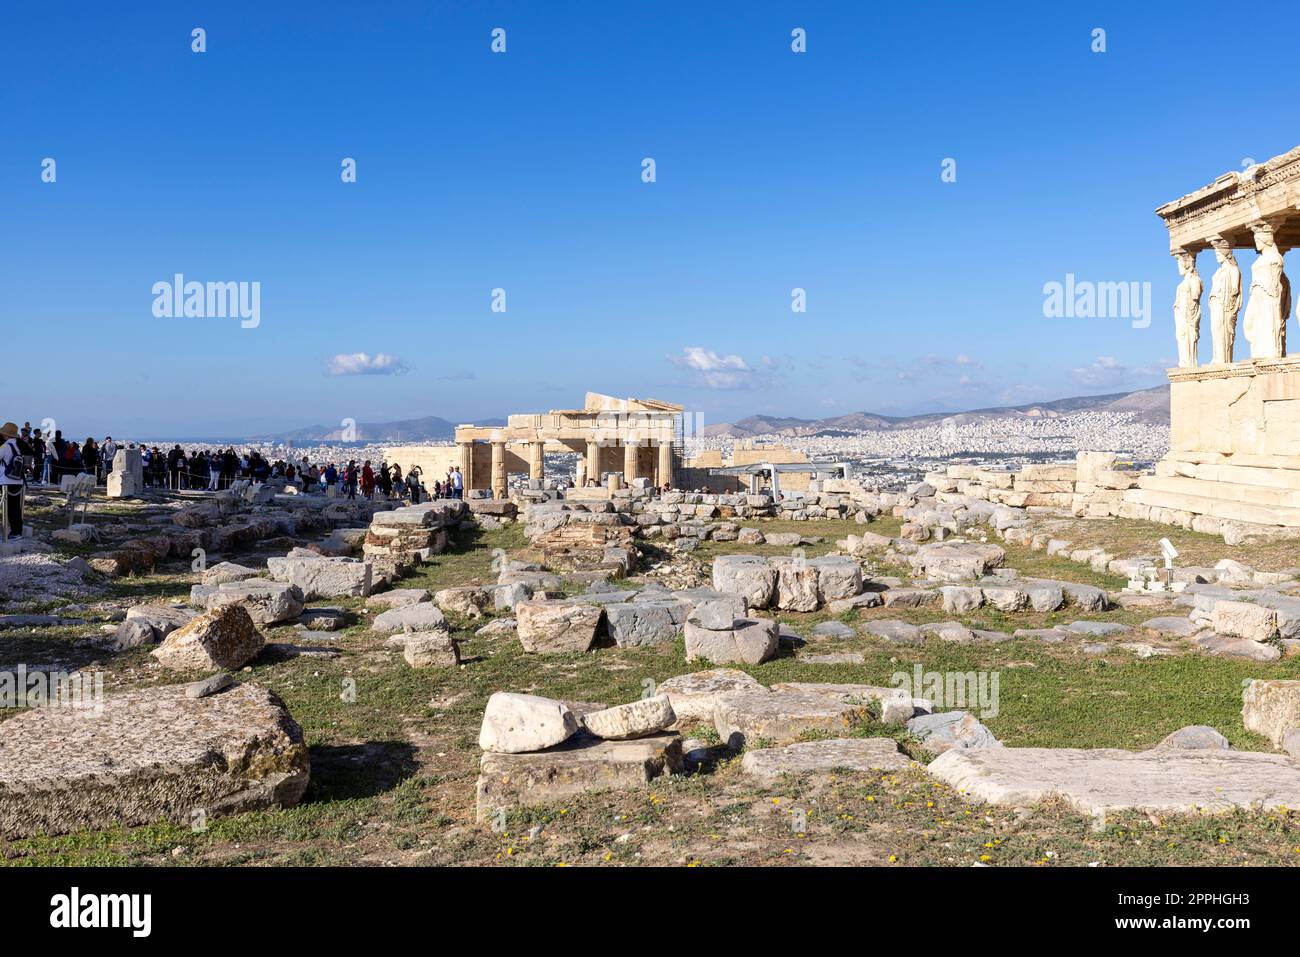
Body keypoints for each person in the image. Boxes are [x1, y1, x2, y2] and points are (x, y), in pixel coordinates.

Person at [0, 423, 25, 539]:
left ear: (5, 435)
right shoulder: (18, 446)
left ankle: (13, 532)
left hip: (6, 480)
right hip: (18, 480)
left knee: (8, 508)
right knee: (15, 508)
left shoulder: (5, 446)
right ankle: (17, 531)